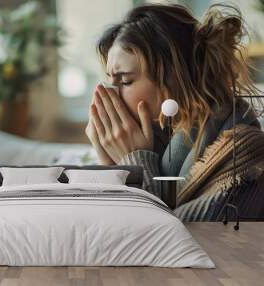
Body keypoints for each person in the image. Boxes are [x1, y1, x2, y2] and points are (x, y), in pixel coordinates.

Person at [85, 3, 264, 221]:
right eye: (109, 80)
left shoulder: (242, 152)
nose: (109, 94)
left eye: (125, 80)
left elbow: (163, 240)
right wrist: (112, 166)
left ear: (176, 79)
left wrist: (135, 162)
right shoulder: (158, 140)